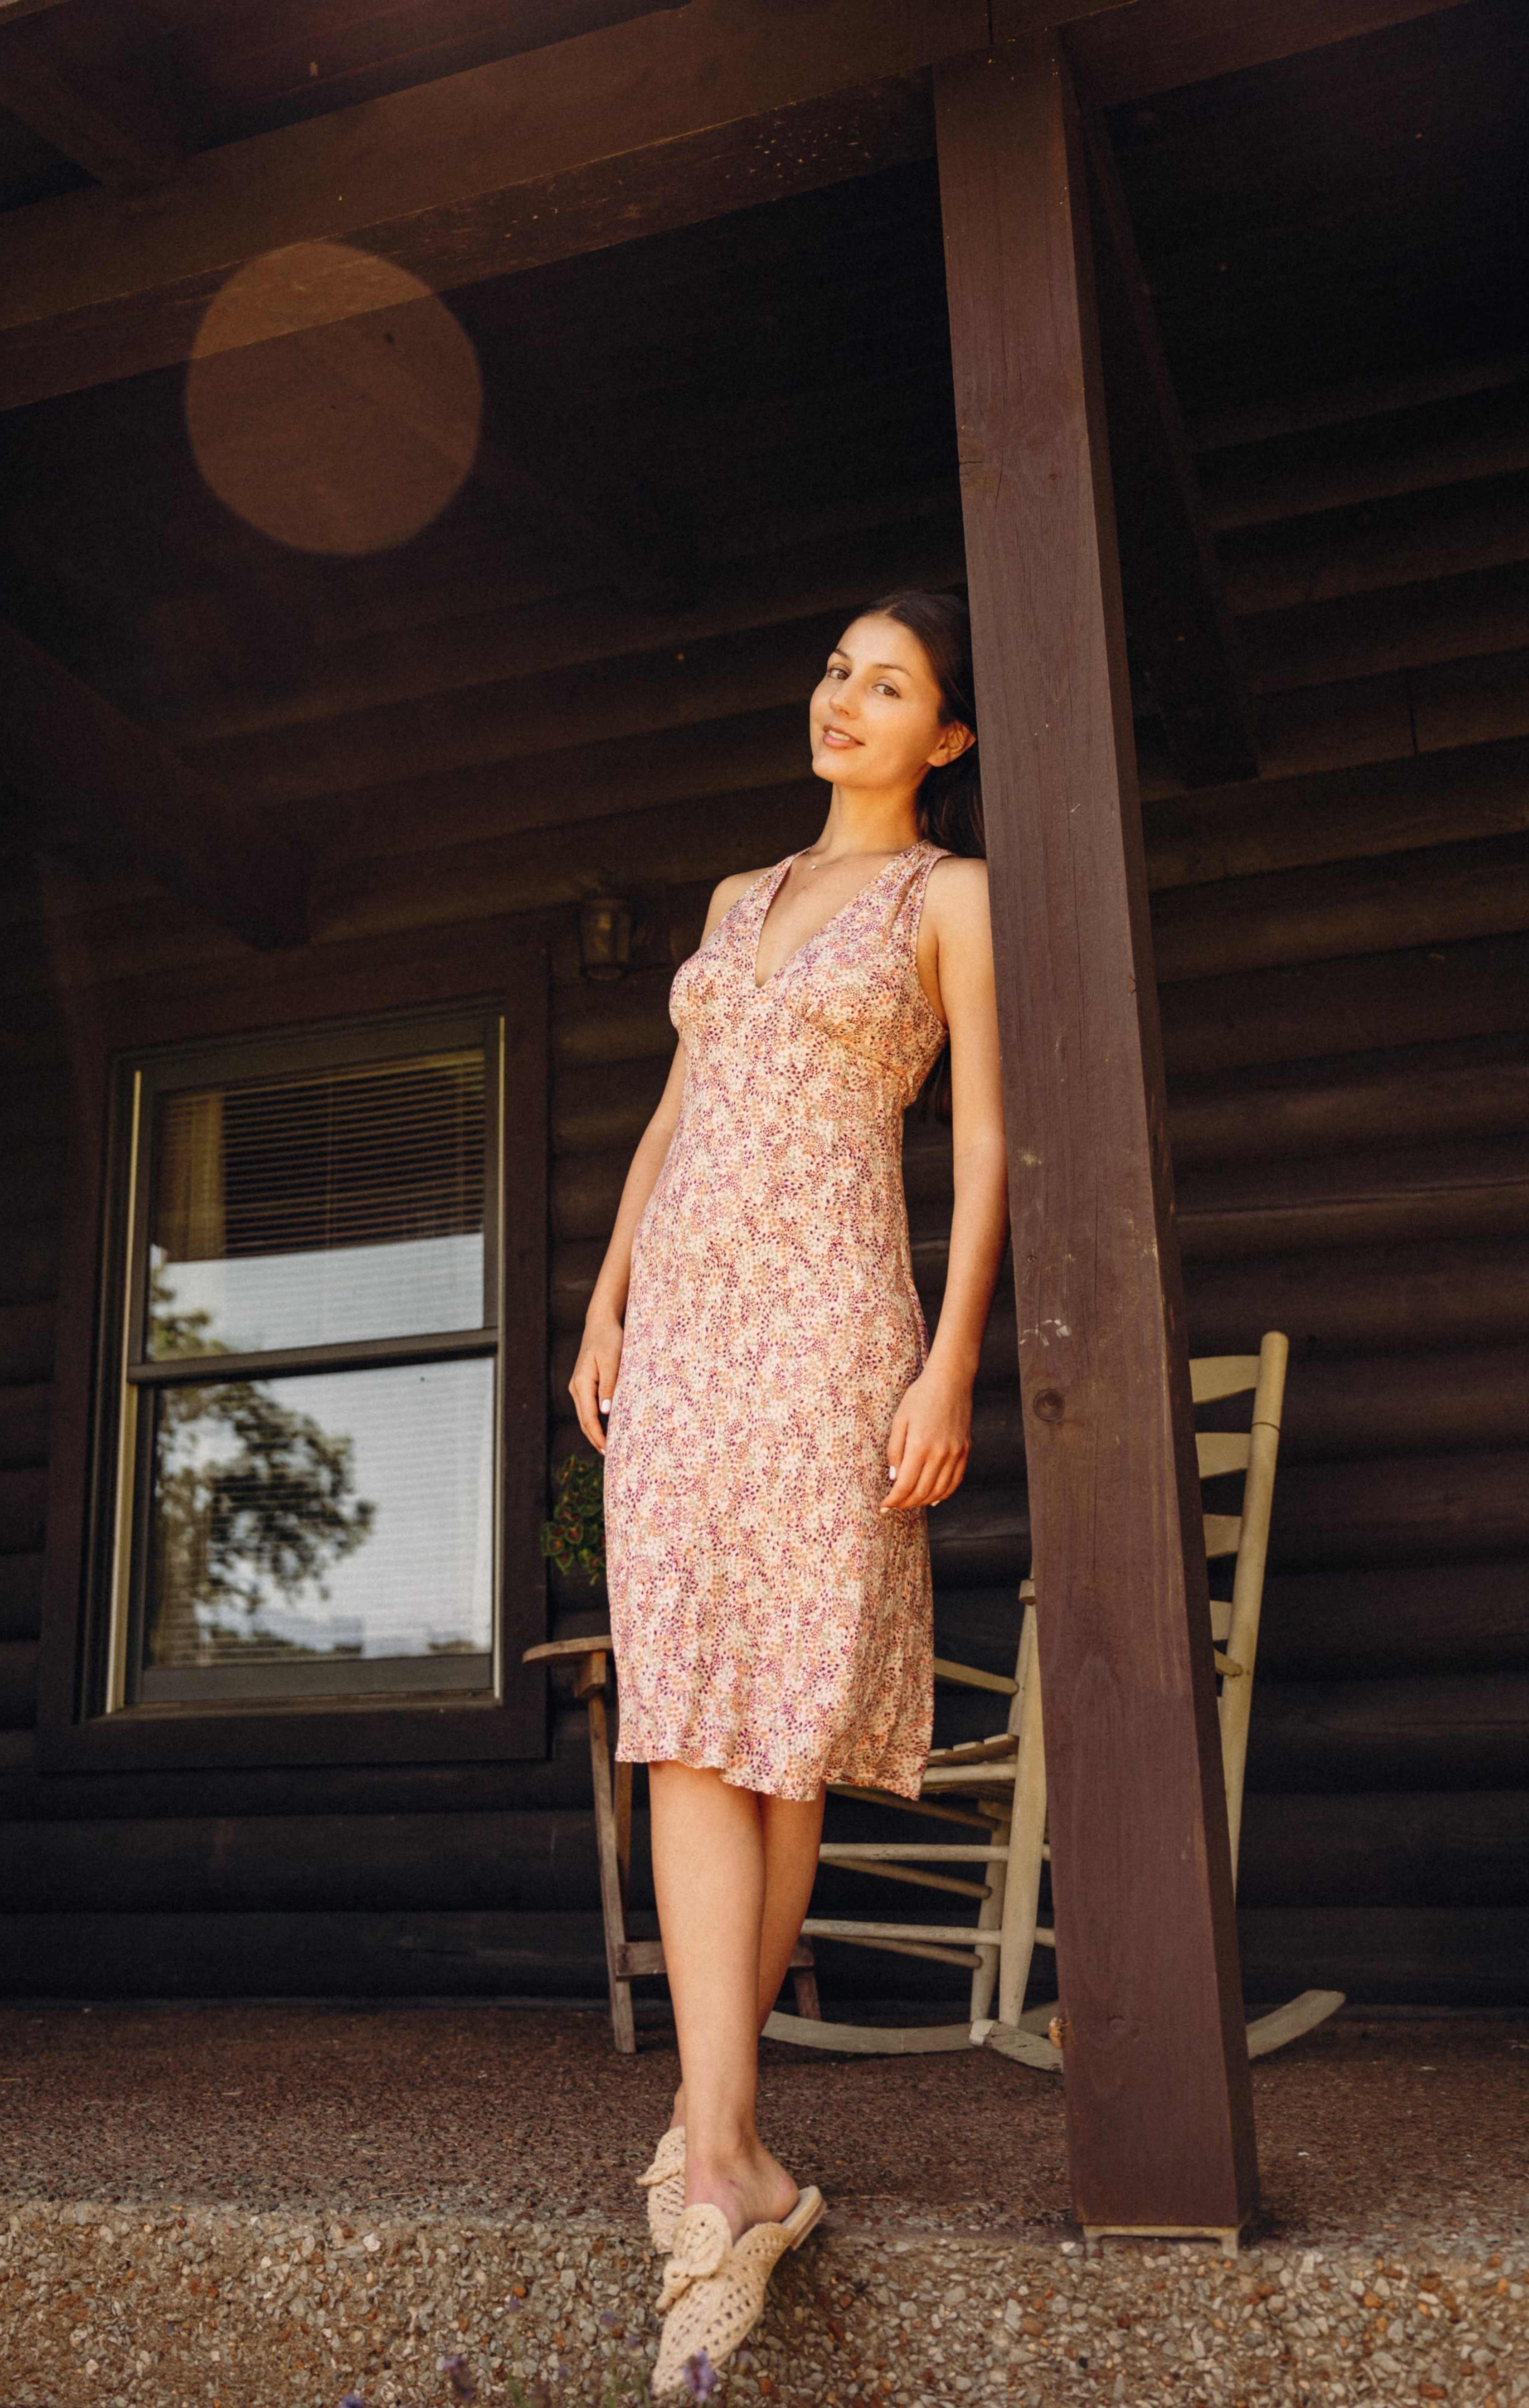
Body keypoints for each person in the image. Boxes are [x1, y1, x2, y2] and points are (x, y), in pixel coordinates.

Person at [568, 588, 1008, 2391]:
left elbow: (984, 1138)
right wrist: (604, 1294)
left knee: (780, 1734)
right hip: (682, 1335)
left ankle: (719, 2141)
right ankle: (730, 2146)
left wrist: (952, 1359)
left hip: (833, 1330)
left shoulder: (954, 901)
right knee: (681, 1715)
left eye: (888, 684)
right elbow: (682, 1110)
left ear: (947, 739)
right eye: (838, 668)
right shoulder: (735, 903)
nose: (844, 698)